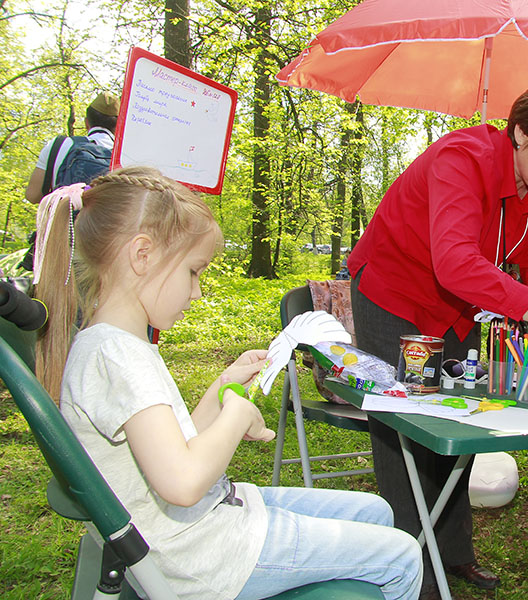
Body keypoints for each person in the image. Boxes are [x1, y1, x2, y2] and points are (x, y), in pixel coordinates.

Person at [35, 167, 423, 600]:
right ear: (142, 255)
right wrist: (238, 415)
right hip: (202, 557)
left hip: (205, 528)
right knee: (404, 555)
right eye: (193, 271)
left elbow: (173, 448)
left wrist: (224, 386)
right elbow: (182, 483)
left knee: (375, 510)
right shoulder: (117, 355)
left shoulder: (113, 345)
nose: (196, 292)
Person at [348, 76, 528, 598]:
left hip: (459, 310)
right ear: (521, 132)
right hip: (394, 293)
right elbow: (455, 263)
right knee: (404, 429)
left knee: (461, 422)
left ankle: (453, 552)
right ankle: (413, 571)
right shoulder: (464, 158)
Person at [24, 91, 120, 204]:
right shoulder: (124, 156)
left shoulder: (58, 145)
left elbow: (32, 195)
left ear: (86, 122)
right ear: (118, 126)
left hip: (65, 220)